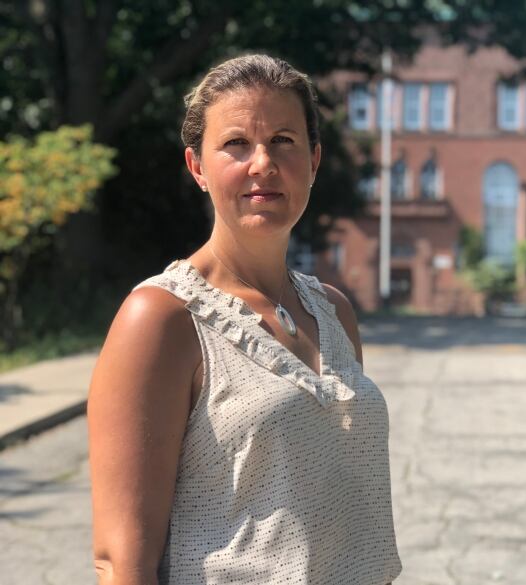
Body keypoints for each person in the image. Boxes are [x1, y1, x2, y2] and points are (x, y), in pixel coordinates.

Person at [87, 54, 402, 585]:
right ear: (197, 167)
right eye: (236, 144)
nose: (263, 163)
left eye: (284, 140)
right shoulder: (163, 318)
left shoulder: (334, 312)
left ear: (314, 159)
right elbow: (122, 562)